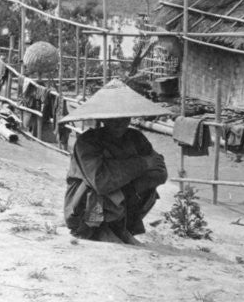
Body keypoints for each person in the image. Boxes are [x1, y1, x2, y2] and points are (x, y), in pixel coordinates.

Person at [61, 79, 169, 244]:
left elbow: (160, 172)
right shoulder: (88, 141)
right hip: (84, 214)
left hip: (121, 201)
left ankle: (120, 227)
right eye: (113, 118)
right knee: (100, 188)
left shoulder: (136, 138)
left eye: (124, 118)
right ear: (103, 118)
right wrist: (143, 164)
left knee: (148, 187)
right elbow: (101, 181)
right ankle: (100, 230)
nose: (119, 123)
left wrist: (128, 180)